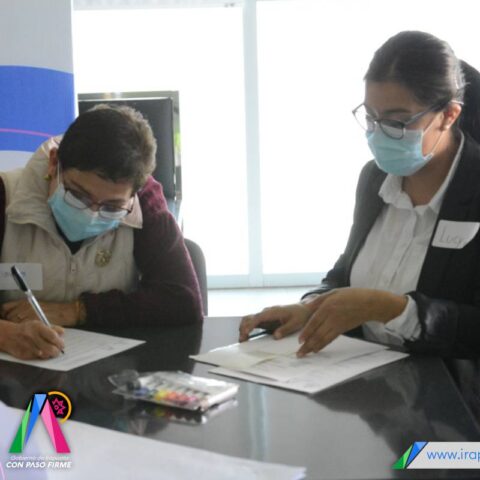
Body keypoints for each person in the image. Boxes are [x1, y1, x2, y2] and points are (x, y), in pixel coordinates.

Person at [240, 31, 480, 358]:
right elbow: (347, 273)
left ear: (449, 115)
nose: (379, 134)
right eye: (371, 117)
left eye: (397, 121)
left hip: (448, 383)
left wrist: (392, 309)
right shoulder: (374, 178)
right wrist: (310, 308)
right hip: (367, 375)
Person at [0, 105, 203, 360]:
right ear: (54, 164)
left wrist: (77, 310)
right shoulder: (5, 194)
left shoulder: (143, 201)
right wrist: (5, 335)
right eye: (77, 195)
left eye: (112, 207)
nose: (91, 214)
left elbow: (183, 300)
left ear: (133, 194)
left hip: (109, 370)